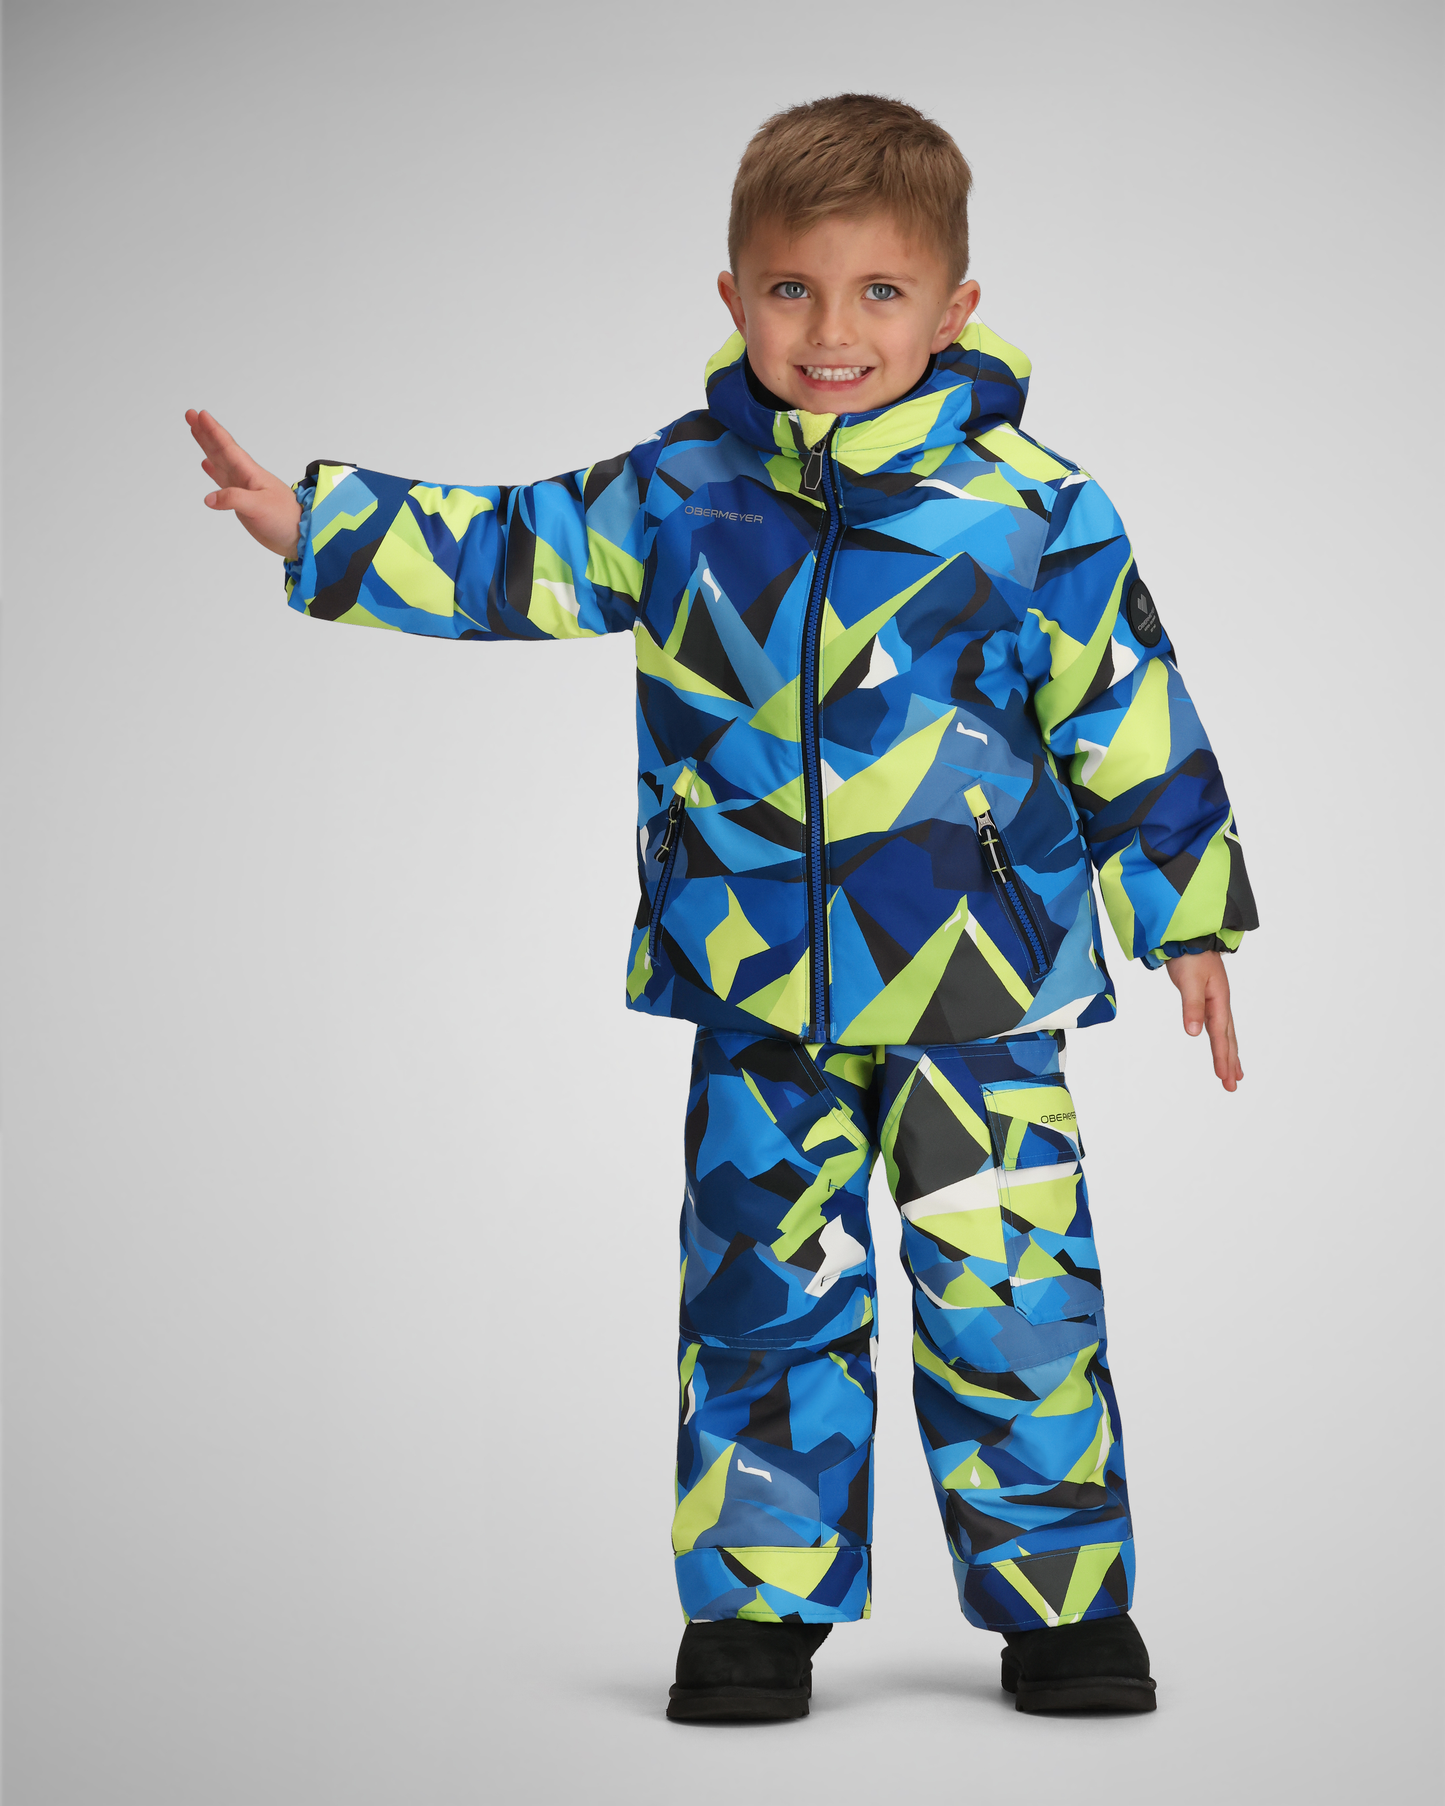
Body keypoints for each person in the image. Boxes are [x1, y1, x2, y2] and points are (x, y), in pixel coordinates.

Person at [187, 92, 1256, 1722]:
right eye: (791, 290)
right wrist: (316, 524)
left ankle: (1064, 1608)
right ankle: (755, 1610)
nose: (832, 332)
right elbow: (508, 552)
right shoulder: (681, 493)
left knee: (1017, 1299)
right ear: (735, 296)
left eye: (880, 291)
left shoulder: (1032, 507)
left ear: (955, 307)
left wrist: (1188, 914)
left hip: (981, 992)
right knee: (760, 1304)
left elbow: (1130, 707)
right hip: (758, 988)